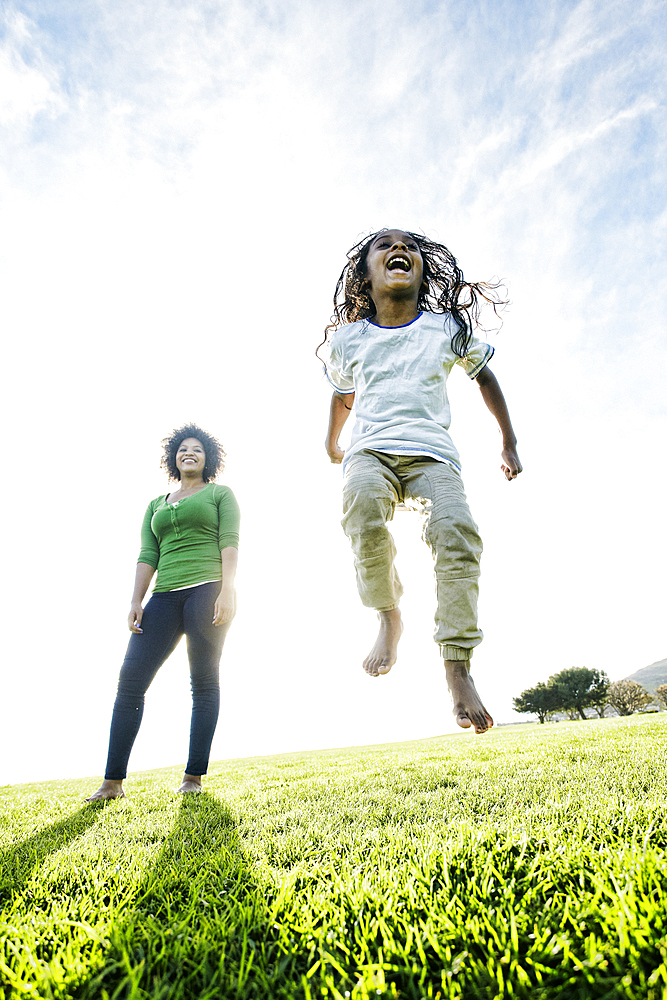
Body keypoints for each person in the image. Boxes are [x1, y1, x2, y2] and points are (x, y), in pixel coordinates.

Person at [319, 229, 522, 735]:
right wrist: (331, 443)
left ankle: (457, 668)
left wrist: (509, 441)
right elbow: (343, 394)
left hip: (433, 455)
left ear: (421, 268)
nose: (397, 249)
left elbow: (485, 376)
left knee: (457, 532)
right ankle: (388, 615)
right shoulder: (351, 339)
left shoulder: (444, 327)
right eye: (383, 245)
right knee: (362, 506)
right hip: (371, 452)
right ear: (366, 273)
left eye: (406, 245)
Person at [86, 424, 240, 799]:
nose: (190, 453)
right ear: (173, 457)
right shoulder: (156, 504)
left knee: (203, 682)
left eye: (198, 450)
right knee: (131, 681)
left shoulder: (220, 494)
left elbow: (229, 543)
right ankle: (112, 783)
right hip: (164, 597)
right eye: (183, 449)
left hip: (207, 591)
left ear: (208, 459)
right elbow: (147, 555)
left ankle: (193, 778)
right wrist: (136, 600)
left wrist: (227, 591)